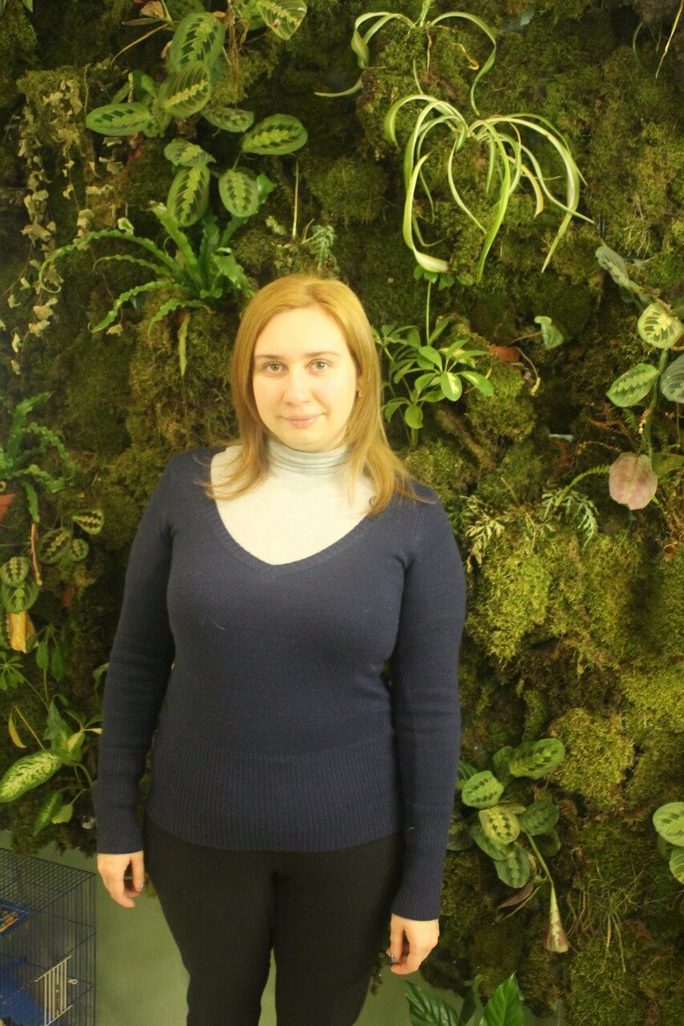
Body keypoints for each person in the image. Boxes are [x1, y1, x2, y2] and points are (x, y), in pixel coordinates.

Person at [95, 274, 467, 1026]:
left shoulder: (413, 519)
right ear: (247, 376)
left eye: (320, 363)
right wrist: (115, 819)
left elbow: (429, 711)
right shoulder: (187, 488)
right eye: (273, 365)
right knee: (216, 1009)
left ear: (360, 373)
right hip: (199, 834)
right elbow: (135, 664)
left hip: (351, 848)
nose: (296, 389)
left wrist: (423, 885)